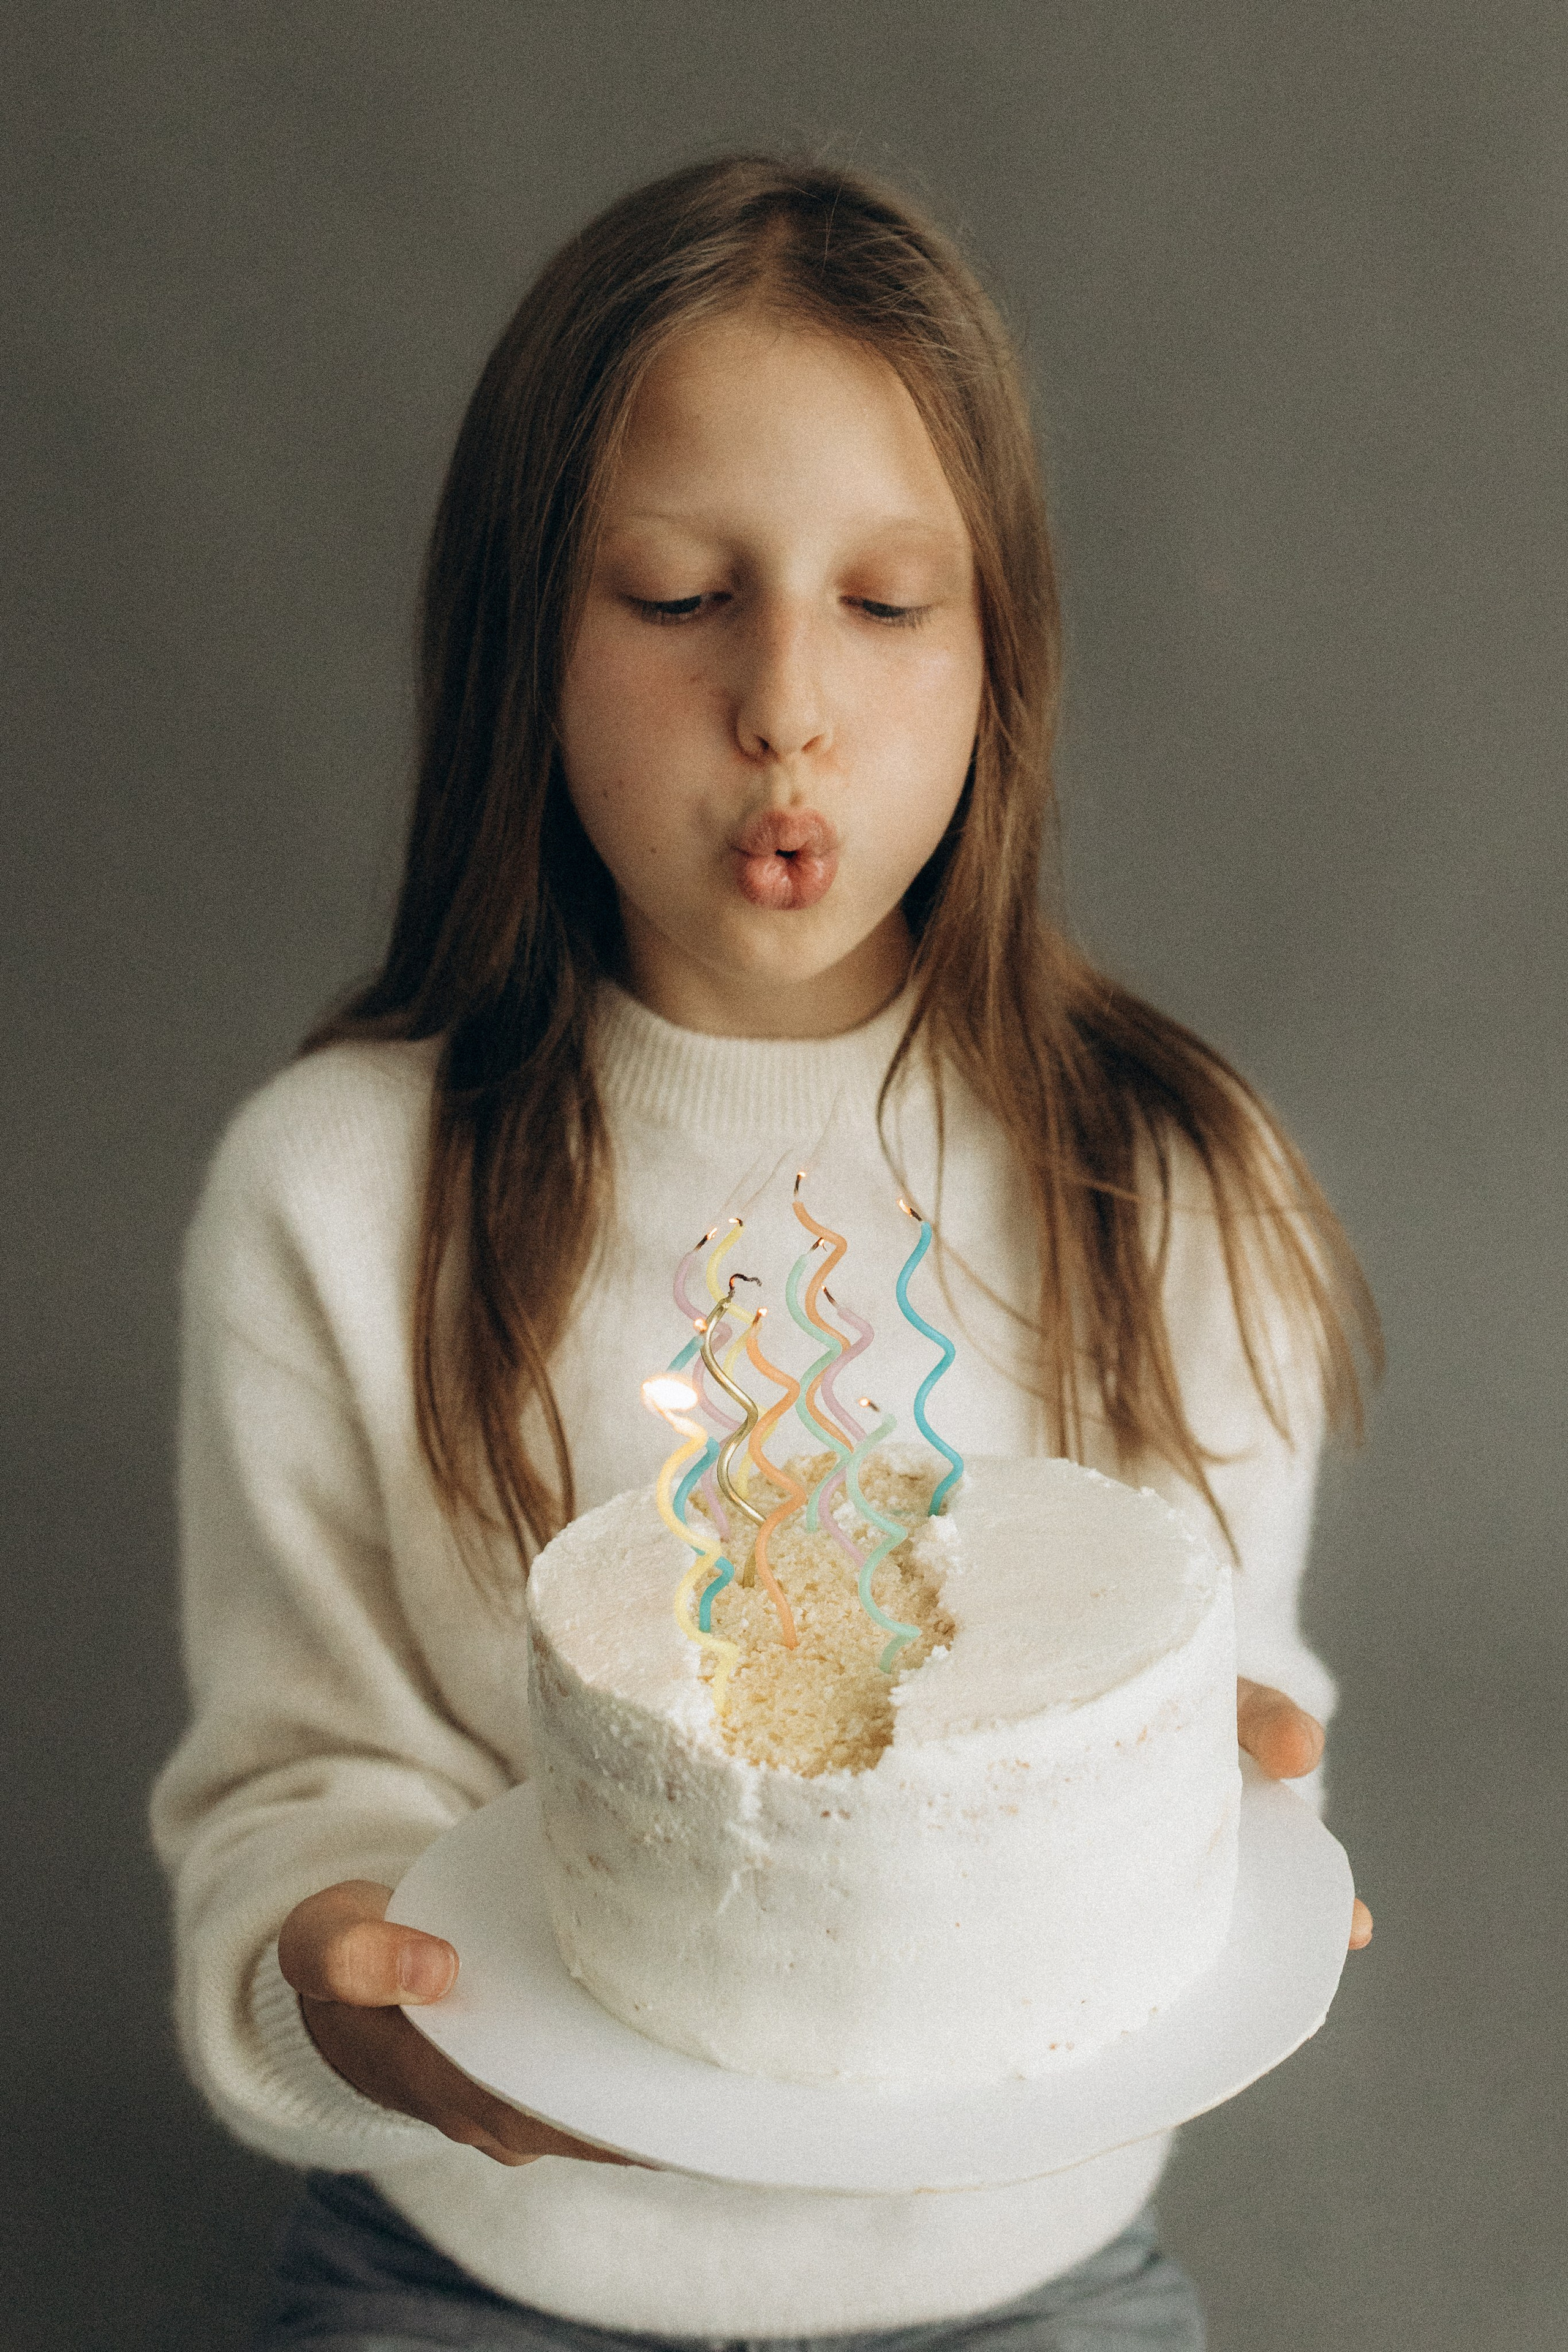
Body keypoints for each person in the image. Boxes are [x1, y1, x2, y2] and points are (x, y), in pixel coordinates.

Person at [151, 153, 1378, 2352]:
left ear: (1003, 660)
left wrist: (1244, 1784)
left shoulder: (1176, 1183)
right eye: (677, 592)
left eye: (888, 604)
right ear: (529, 638)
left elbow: (1216, 1702)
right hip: (477, 2267)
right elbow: (301, 1785)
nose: (786, 702)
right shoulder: (338, 1195)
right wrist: (348, 1988)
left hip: (1023, 2269)